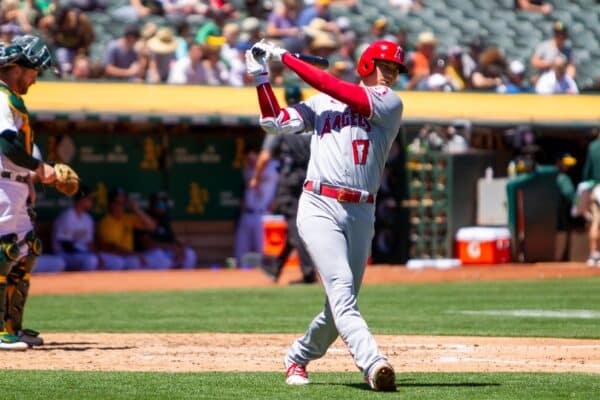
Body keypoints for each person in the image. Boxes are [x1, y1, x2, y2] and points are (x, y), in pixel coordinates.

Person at [246, 38, 407, 390]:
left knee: (339, 309)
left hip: (362, 210)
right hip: (319, 203)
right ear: (366, 65)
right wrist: (261, 76)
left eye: (395, 70)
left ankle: (297, 358)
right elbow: (274, 121)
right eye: (385, 67)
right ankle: (374, 363)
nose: (390, 75)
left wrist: (284, 57)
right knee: (342, 290)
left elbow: (329, 83)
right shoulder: (322, 102)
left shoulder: (389, 103)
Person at [0, 34, 57, 350]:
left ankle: (12, 326)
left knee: (26, 249)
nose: (35, 79)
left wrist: (32, 177)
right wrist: (36, 168)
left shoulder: (10, 97)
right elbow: (6, 145)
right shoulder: (0, 97)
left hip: (15, 184)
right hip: (3, 183)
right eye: (35, 71)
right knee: (4, 250)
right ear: (19, 68)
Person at [255, 86, 316, 284]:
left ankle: (307, 273)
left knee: (295, 227)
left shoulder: (283, 121)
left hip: (289, 182)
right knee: (297, 225)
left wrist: (256, 178)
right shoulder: (311, 122)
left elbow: (265, 156)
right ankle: (274, 266)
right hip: (309, 180)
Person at [97, 188, 172, 270]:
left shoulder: (128, 218)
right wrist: (134, 254)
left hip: (129, 256)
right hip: (113, 256)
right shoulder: (106, 221)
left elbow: (152, 226)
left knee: (160, 258)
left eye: (123, 203)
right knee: (127, 262)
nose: (120, 206)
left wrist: (136, 209)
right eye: (117, 202)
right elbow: (113, 248)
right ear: (110, 204)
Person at [233, 148, 279, 268]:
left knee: (262, 249)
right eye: (248, 159)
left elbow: (284, 182)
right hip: (247, 213)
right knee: (240, 250)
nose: (250, 161)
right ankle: (238, 279)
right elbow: (244, 190)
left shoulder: (273, 167)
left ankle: (264, 279)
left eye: (253, 158)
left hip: (263, 214)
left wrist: (277, 199)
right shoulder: (247, 171)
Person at [137, 191, 197, 269]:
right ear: (152, 205)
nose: (162, 206)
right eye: (159, 204)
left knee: (189, 253)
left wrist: (180, 248)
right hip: (147, 254)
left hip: (164, 251)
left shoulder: (164, 218)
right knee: (161, 257)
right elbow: (147, 244)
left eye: (164, 203)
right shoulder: (146, 218)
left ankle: (184, 279)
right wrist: (171, 247)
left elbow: (172, 239)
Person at [52, 184, 100, 271]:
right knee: (90, 260)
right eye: (89, 199)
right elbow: (65, 245)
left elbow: (89, 243)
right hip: (64, 254)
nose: (91, 202)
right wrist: (85, 252)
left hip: (81, 254)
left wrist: (98, 255)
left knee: (98, 260)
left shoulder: (88, 219)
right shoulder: (67, 216)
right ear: (81, 199)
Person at [582, 129, 600, 266]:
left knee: (595, 221)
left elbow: (586, 172)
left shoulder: (593, 147)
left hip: (596, 187)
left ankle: (594, 255)